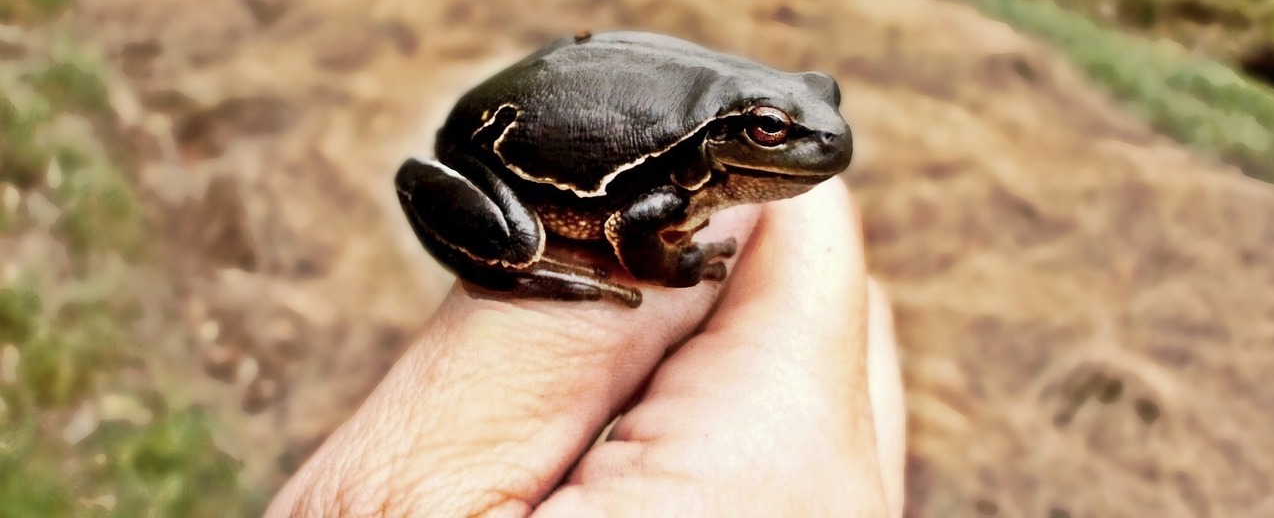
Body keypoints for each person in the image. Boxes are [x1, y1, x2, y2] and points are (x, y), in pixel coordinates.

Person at [266, 179, 906, 517]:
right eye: (768, 131)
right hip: (502, 172)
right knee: (518, 246)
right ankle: (529, 269)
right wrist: (677, 264)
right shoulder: (675, 187)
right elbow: (634, 229)